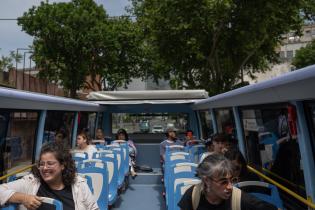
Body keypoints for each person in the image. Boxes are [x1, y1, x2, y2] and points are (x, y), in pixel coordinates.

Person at [0, 142, 99, 210]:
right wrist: (23, 198)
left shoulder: (79, 185)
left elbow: (93, 208)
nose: (44, 168)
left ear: (62, 165)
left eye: (50, 163)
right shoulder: (31, 182)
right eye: (41, 164)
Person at [178, 153, 277, 210]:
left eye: (232, 180)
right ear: (207, 180)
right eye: (223, 182)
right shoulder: (193, 196)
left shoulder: (239, 199)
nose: (230, 186)